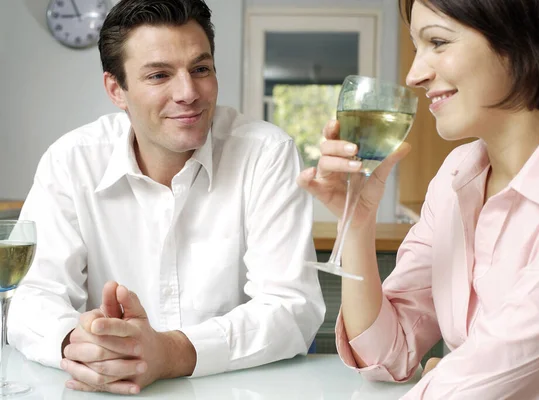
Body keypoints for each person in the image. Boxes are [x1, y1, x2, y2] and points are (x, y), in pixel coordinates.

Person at [8, 0, 325, 395]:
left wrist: (171, 353)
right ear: (116, 89)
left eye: (200, 69)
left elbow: (292, 309)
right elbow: (33, 297)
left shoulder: (266, 153)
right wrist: (80, 344)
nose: (188, 93)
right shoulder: (70, 161)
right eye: (159, 75)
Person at [298, 0, 539, 398]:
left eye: (438, 42)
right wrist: (357, 220)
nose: (413, 76)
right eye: (416, 46)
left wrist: (452, 372)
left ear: (523, 40)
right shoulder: (457, 176)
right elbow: (388, 353)